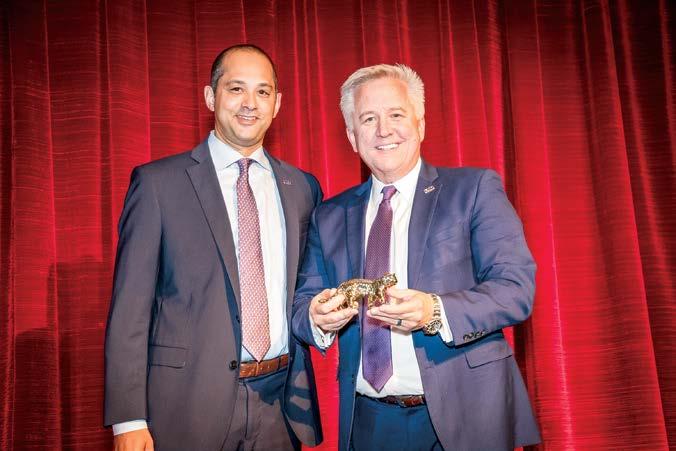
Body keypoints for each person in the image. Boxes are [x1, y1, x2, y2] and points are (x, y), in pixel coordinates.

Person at [292, 64, 541, 451]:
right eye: (368, 119)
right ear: (352, 137)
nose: (383, 130)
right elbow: (303, 303)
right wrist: (316, 317)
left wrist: (434, 310)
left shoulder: (474, 189)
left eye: (396, 114)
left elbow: (515, 289)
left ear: (420, 124)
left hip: (468, 415)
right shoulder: (329, 216)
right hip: (369, 423)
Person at [104, 44, 323, 451]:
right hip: (186, 407)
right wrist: (128, 419)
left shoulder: (302, 188)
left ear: (277, 104)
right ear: (210, 96)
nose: (250, 103)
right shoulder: (158, 185)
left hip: (280, 408)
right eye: (236, 88)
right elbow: (130, 307)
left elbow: (306, 291)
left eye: (262, 91)